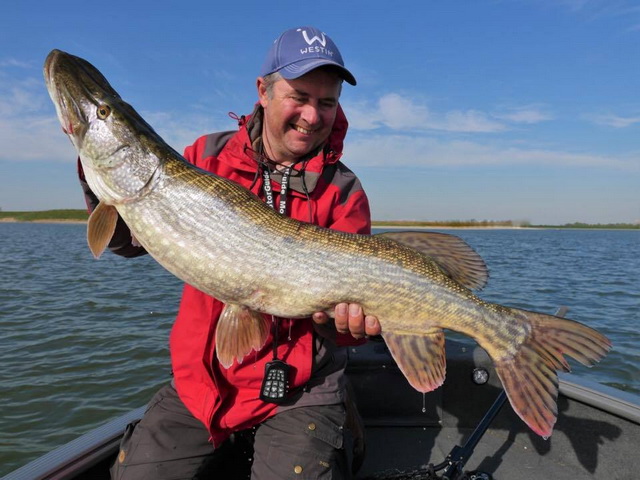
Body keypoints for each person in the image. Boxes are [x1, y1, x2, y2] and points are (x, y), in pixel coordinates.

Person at [79, 26, 381, 479]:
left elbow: (348, 327)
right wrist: (95, 175)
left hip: (303, 388)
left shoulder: (344, 190)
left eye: (327, 102)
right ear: (263, 90)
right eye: (298, 96)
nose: (312, 116)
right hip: (205, 383)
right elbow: (127, 242)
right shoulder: (205, 155)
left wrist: (353, 326)